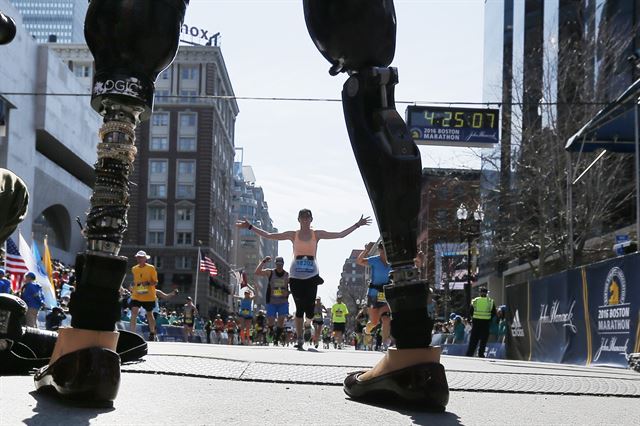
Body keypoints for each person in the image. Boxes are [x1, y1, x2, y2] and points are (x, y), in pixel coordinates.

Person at [236, 209, 370, 351]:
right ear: (299, 220)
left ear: (311, 219)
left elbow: (340, 235)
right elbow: (269, 235)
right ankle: (300, 338)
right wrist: (250, 226)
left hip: (312, 275)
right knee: (299, 308)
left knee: (310, 311)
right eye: (302, 218)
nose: (305, 220)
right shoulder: (293, 235)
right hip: (295, 275)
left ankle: (308, 324)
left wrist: (357, 224)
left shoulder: (316, 234)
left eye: (308, 218)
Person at [356, 241, 392, 349]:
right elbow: (360, 261)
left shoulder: (392, 262)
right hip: (373, 294)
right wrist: (366, 250)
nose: (385, 252)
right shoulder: (375, 260)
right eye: (383, 250)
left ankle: (385, 343)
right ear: (380, 250)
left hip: (386, 294)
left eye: (387, 250)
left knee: (386, 319)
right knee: (375, 322)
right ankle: (366, 329)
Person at [254, 256, 289, 346]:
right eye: (277, 264)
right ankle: (271, 331)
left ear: (283, 264)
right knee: (271, 322)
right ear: (275, 264)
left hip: (282, 302)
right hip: (271, 301)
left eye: (280, 264)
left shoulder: (287, 275)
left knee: (281, 322)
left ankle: (276, 340)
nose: (279, 266)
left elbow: (292, 287)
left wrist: (288, 292)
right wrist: (263, 261)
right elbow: (257, 272)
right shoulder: (270, 272)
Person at [129, 250, 160, 341]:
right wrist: (134, 286)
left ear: (145, 259)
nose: (139, 259)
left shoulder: (151, 268)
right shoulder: (134, 269)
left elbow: (155, 282)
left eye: (141, 257)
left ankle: (152, 333)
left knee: (149, 314)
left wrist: (147, 283)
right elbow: (136, 281)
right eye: (138, 257)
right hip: (137, 295)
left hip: (148, 296)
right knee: (134, 312)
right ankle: (132, 333)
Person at [466, 287, 496, 358]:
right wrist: (489, 318)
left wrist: (474, 317)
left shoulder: (475, 301)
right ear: (486, 293)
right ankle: (481, 354)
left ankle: (470, 353)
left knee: (473, 339)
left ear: (480, 293)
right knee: (483, 340)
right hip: (485, 323)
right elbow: (493, 312)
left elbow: (470, 311)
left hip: (476, 322)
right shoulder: (490, 301)